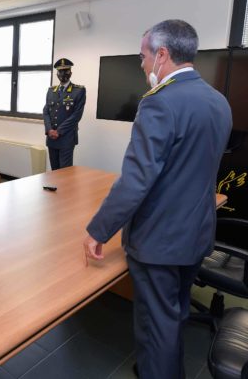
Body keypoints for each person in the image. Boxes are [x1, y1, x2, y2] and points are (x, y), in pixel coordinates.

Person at [83, 20, 232, 379]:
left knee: (155, 329)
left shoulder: (159, 103)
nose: (141, 64)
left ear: (162, 55)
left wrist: (98, 230)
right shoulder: (218, 101)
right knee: (174, 314)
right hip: (196, 234)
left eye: (143, 56)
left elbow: (136, 181)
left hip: (159, 241)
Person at [42, 58, 86, 170]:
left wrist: (59, 131)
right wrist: (49, 130)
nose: (63, 74)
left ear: (70, 73)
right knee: (54, 171)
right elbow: (46, 111)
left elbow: (76, 115)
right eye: (60, 71)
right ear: (57, 73)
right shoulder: (51, 91)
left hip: (66, 138)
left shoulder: (79, 91)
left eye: (66, 71)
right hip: (52, 138)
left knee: (65, 172)